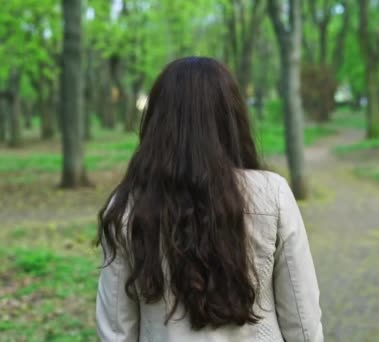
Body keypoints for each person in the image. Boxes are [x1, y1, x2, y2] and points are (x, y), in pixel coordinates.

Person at [96, 57, 322, 342]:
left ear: (156, 122)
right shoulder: (272, 194)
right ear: (232, 118)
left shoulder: (127, 206)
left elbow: (115, 332)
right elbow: (303, 322)